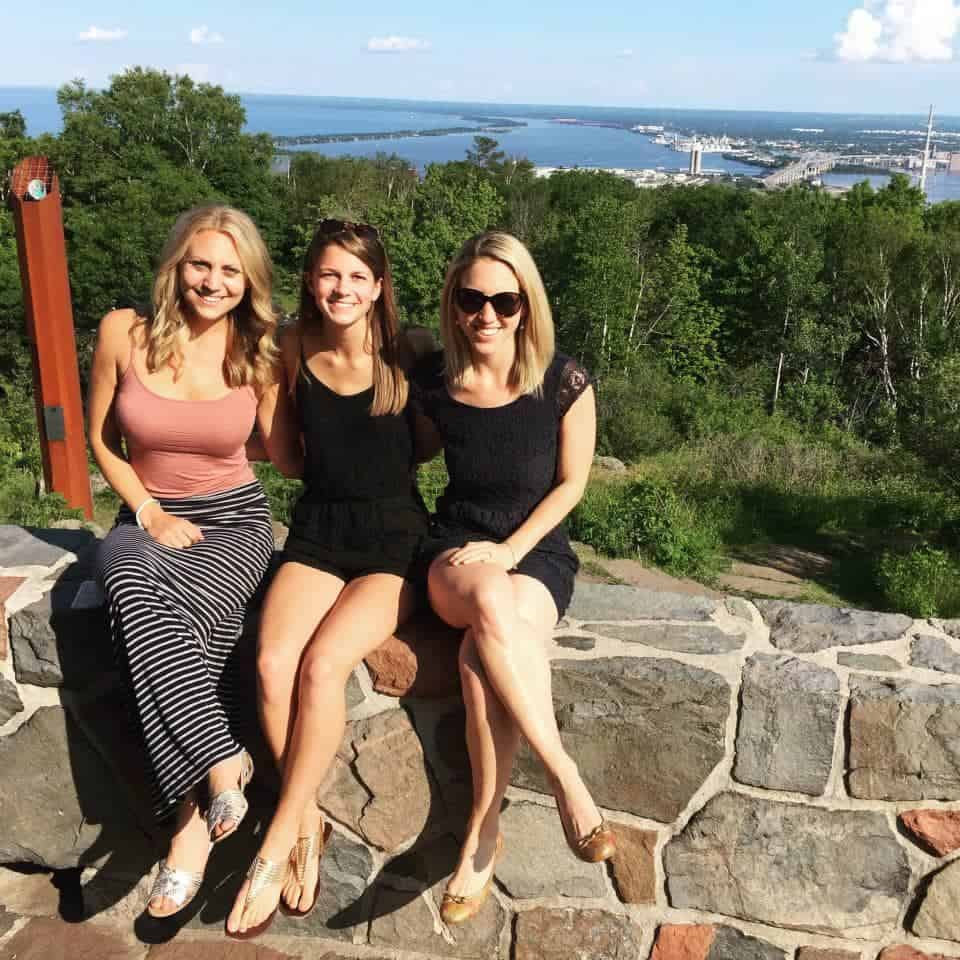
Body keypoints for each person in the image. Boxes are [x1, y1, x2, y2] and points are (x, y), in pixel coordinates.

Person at [89, 204, 297, 919]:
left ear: (250, 281)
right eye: (201, 264)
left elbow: (286, 454)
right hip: (146, 513)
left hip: (235, 523)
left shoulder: (259, 352)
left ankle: (186, 834)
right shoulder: (124, 333)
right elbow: (104, 442)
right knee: (123, 574)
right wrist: (148, 512)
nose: (213, 282)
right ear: (176, 265)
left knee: (190, 624)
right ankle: (222, 762)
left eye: (230, 271)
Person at [225, 220, 429, 940]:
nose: (340, 288)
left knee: (322, 666)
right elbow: (285, 461)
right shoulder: (288, 348)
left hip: (395, 541)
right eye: (327, 274)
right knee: (272, 660)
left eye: (356, 277)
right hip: (318, 529)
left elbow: (441, 442)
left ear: (379, 287)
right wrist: (264, 392)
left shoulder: (412, 354)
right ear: (312, 280)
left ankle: (275, 841)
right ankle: (306, 818)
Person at [412, 231, 616, 925]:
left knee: (479, 656)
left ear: (527, 306)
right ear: (455, 304)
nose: (488, 314)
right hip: (453, 554)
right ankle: (567, 779)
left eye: (505, 299)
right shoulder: (435, 384)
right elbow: (377, 444)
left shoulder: (564, 381)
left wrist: (512, 548)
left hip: (537, 554)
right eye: (472, 299)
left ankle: (483, 829)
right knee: (490, 604)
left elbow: (571, 484)